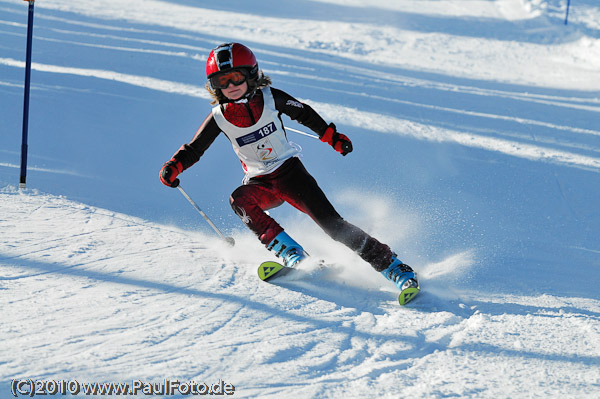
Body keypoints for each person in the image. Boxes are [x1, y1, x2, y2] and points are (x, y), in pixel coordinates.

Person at [160, 42, 418, 298]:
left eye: (236, 77)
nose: (230, 86)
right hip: (259, 183)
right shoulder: (219, 116)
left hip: (291, 175)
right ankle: (293, 255)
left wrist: (332, 137)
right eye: (222, 81)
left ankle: (395, 268)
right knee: (239, 200)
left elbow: (304, 114)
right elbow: (195, 148)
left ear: (252, 74)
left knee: (333, 226)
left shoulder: (272, 98)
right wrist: (174, 166)